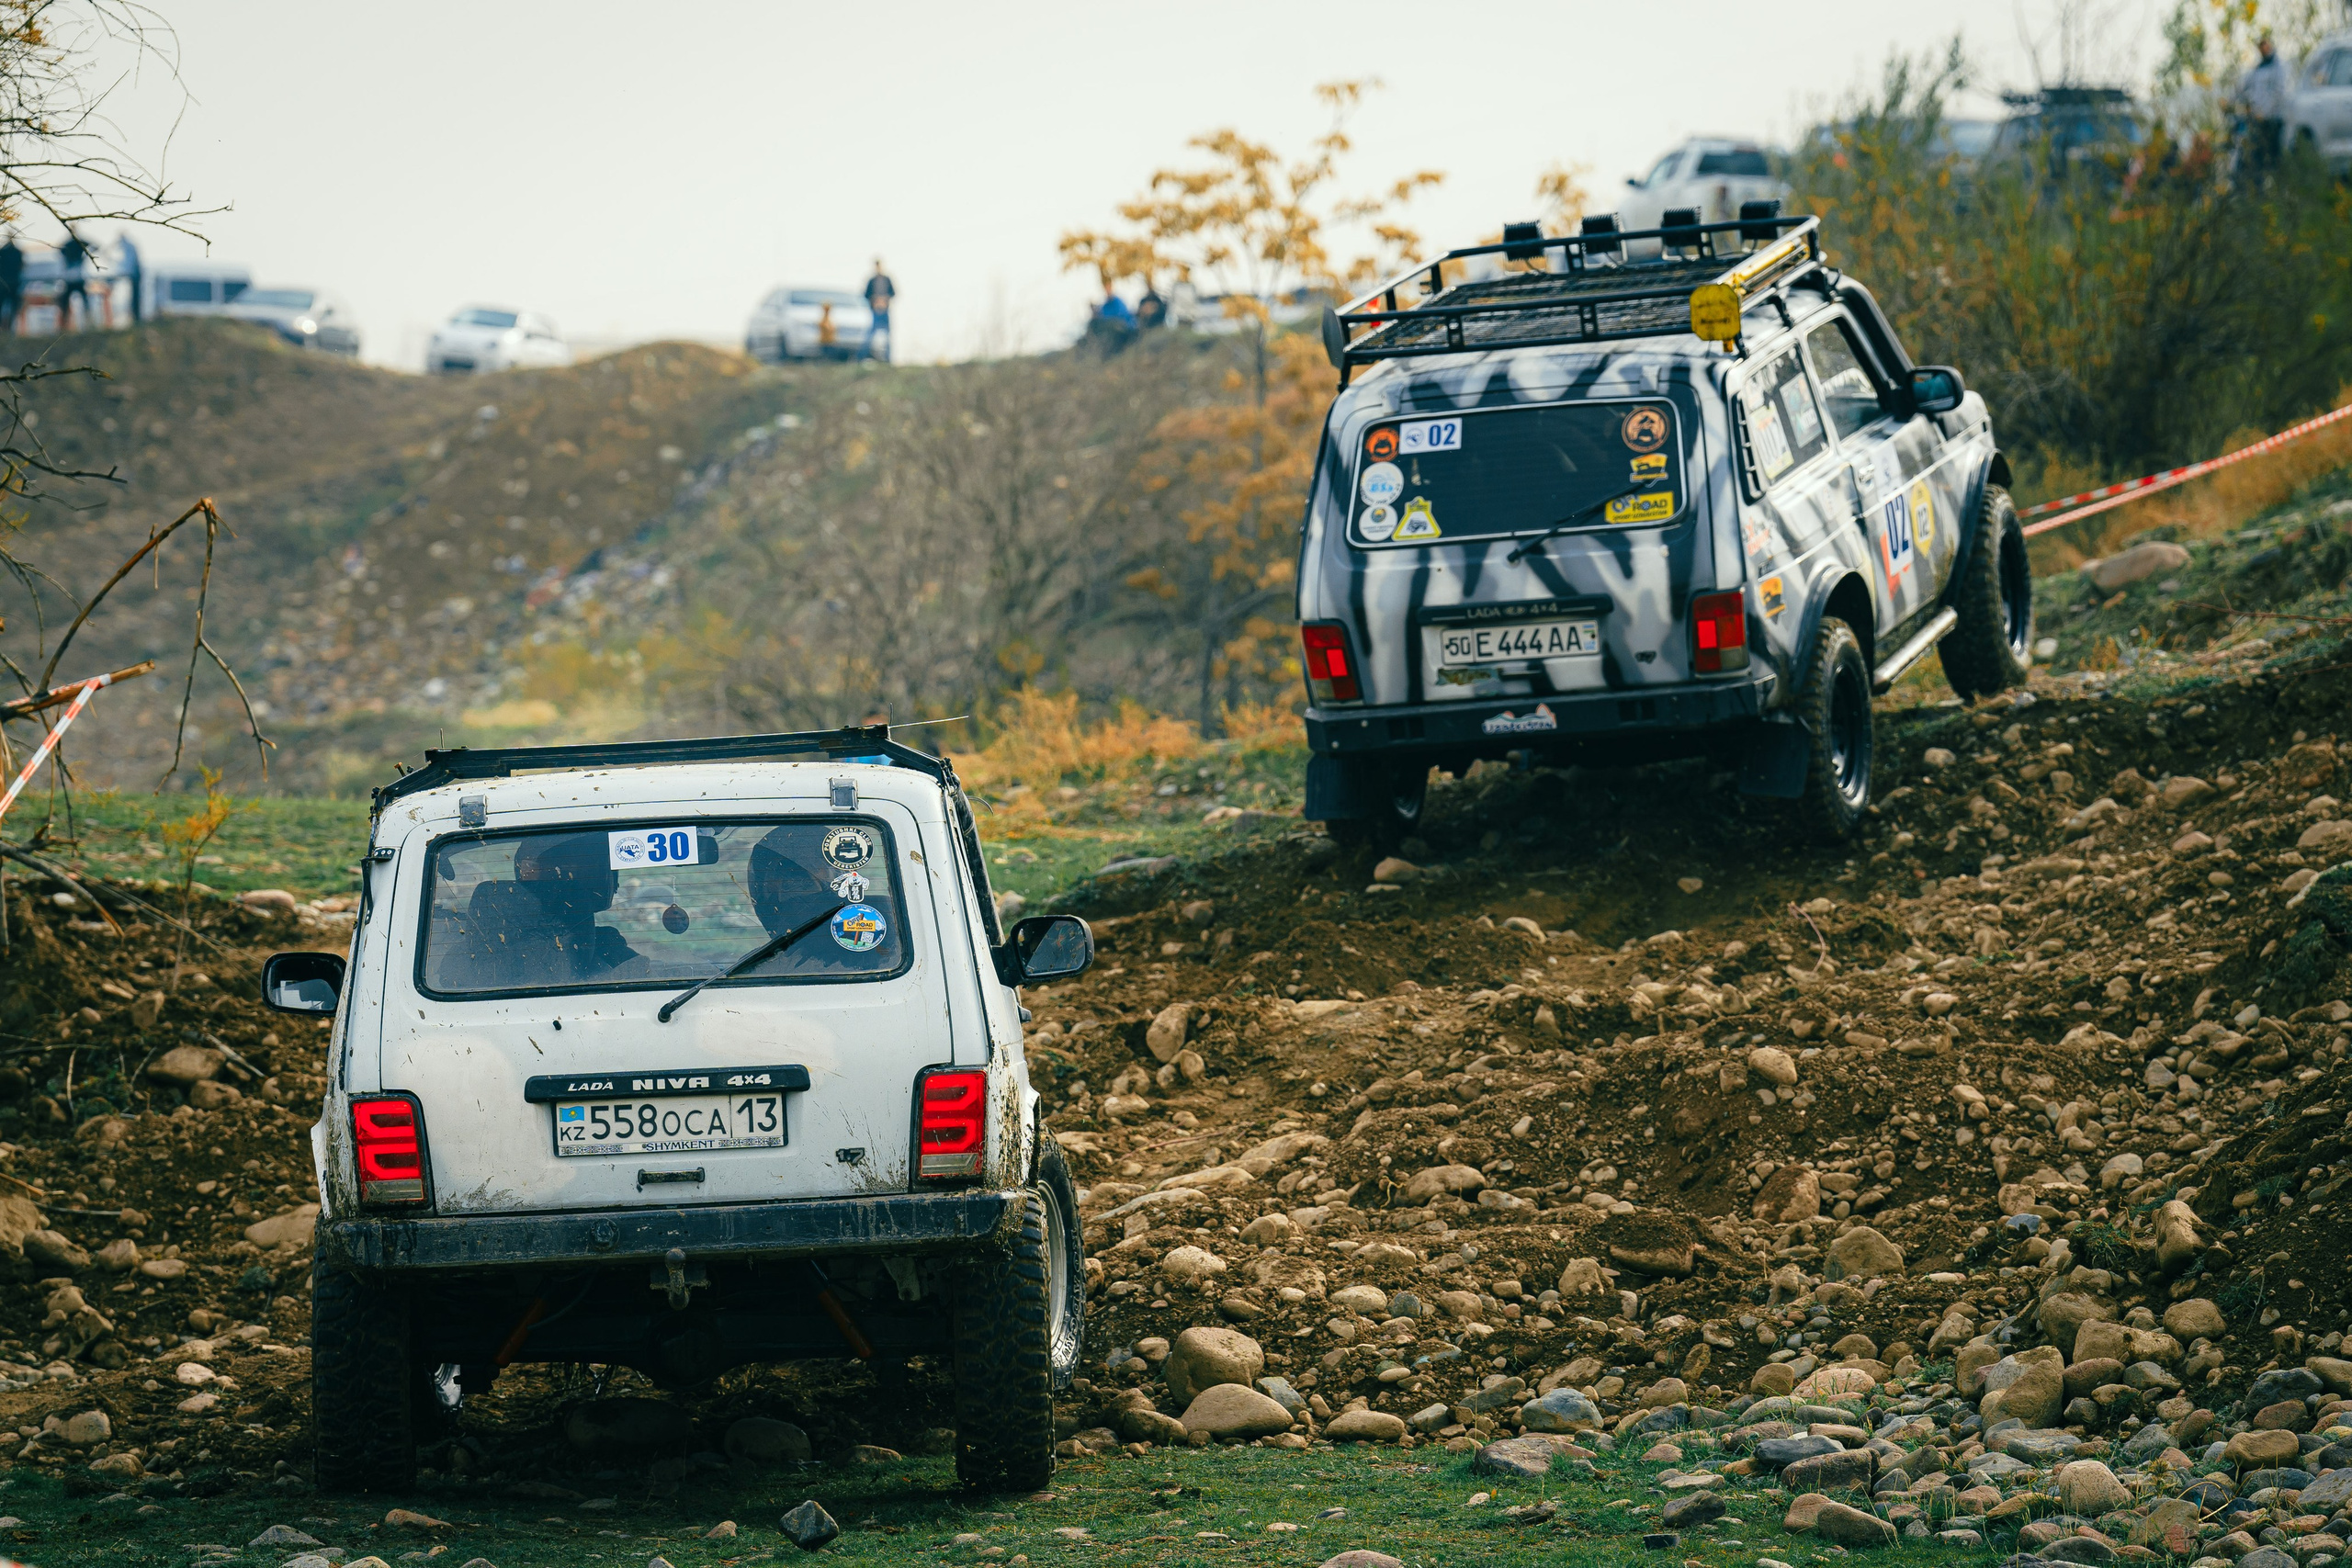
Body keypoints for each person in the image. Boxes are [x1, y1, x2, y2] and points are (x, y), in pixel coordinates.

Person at [2241, 33, 2289, 170]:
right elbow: (2247, 87)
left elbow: (2278, 93)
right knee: (2258, 154)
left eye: (2265, 44)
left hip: (2273, 119)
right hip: (2259, 120)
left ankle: (2278, 183)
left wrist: (2265, 112)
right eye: (2261, 46)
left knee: (2274, 156)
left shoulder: (2278, 67)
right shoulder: (2259, 67)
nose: (2263, 48)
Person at [862, 258, 895, 363]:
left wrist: (885, 300)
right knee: (870, 335)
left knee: (887, 336)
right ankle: (862, 357)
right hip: (875, 311)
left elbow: (893, 293)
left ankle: (888, 359)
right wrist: (874, 301)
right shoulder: (872, 280)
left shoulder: (887, 279)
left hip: (885, 310)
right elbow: (866, 294)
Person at [56, 230, 89, 332]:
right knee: (84, 302)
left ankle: (64, 327)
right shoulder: (79, 244)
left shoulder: (67, 245)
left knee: (66, 303)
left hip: (70, 279)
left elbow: (59, 249)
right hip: (77, 278)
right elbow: (94, 245)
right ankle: (88, 324)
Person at [113, 231, 141, 324]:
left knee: (134, 297)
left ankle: (135, 317)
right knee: (134, 297)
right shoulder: (129, 245)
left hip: (134, 274)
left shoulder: (127, 246)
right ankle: (134, 317)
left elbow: (129, 262)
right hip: (134, 273)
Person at [0, 233, 21, 334]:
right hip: (14, 282)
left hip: (3, 283)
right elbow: (21, 266)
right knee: (13, 306)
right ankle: (9, 328)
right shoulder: (18, 252)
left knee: (2, 305)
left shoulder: (2, 252)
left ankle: (3, 328)